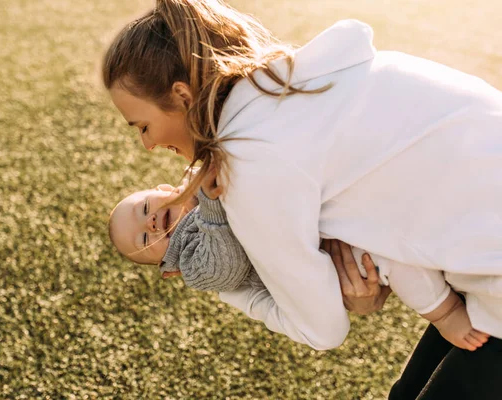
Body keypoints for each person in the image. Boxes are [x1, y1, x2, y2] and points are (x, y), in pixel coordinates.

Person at [102, 1, 502, 398]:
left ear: (183, 96)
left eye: (142, 126)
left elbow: (322, 329)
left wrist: (235, 291)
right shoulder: (300, 76)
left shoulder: (248, 163)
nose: (149, 144)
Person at [109, 166, 490, 351]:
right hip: (325, 266)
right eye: (144, 238)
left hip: (328, 223)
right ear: (168, 270)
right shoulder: (193, 263)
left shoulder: (199, 175)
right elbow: (225, 263)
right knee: (392, 259)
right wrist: (209, 200)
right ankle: (444, 314)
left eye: (144, 207)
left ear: (161, 189)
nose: (151, 222)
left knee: (402, 231)